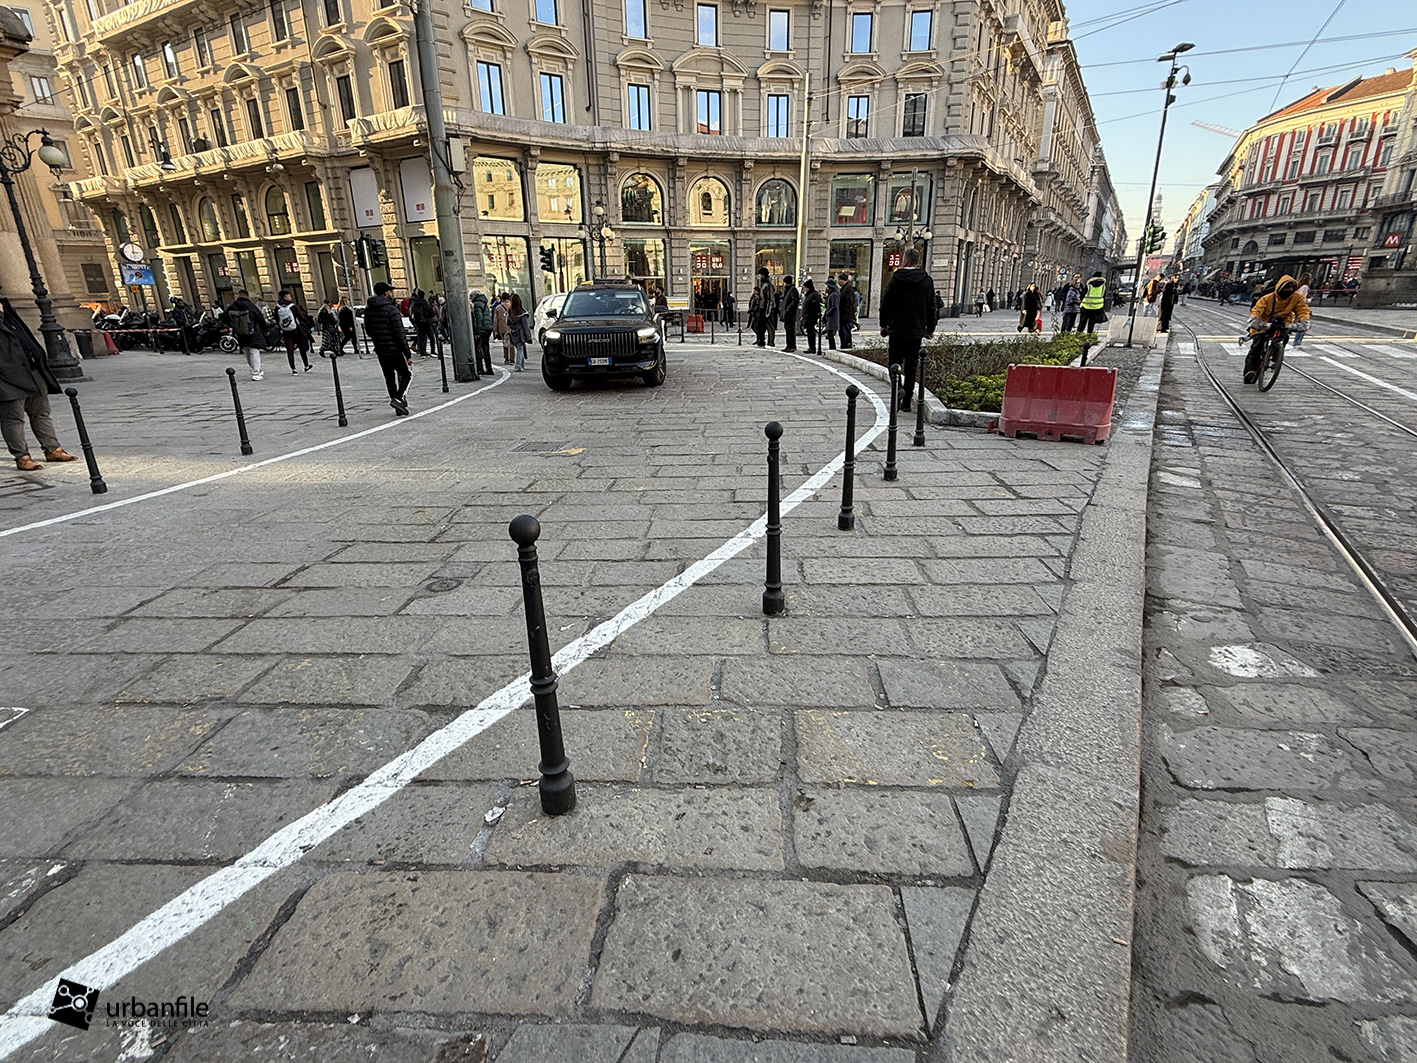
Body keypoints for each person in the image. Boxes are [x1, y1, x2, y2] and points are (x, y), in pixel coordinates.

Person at [1, 303, 74, 471]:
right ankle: (22, 456)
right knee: (13, 418)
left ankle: (52, 449)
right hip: (7, 376)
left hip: (31, 370)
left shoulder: (9, 313)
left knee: (41, 412)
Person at [878, 246, 938, 413]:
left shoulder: (896, 278)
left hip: (897, 329)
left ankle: (898, 389)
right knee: (912, 366)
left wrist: (884, 325)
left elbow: (886, 303)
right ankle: (906, 402)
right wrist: (930, 328)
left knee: (894, 363)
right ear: (917, 261)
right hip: (916, 330)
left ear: (905, 260)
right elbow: (931, 306)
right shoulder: (926, 280)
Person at [1242, 274, 1309, 384]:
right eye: (1286, 288)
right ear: (1280, 287)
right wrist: (1255, 321)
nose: (1289, 290)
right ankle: (1250, 371)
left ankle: (1275, 355)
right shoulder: (1267, 299)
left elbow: (1302, 310)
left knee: (1284, 337)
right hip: (1264, 323)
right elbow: (1257, 310)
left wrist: (1304, 322)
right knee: (1257, 346)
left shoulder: (1297, 298)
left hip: (1284, 323)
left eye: (1292, 288)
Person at [366, 281, 413, 415]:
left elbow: (369, 331)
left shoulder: (369, 310)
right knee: (406, 375)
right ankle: (397, 399)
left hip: (380, 350)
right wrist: (407, 353)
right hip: (394, 349)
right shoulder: (391, 310)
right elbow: (399, 333)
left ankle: (396, 404)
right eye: (389, 291)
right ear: (386, 293)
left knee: (389, 378)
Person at [223, 289, 266, 380]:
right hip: (253, 332)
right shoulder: (251, 306)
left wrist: (231, 325)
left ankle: (253, 369)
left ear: (239, 295)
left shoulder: (233, 306)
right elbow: (260, 318)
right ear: (247, 295)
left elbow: (223, 316)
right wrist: (265, 329)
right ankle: (256, 372)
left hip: (240, 332)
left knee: (247, 351)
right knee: (254, 351)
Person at [276, 290, 312, 374]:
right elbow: (301, 317)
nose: (290, 297)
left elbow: (277, 319)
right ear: (285, 296)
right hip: (296, 330)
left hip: (286, 331)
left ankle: (293, 369)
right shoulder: (292, 306)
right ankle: (306, 365)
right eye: (289, 296)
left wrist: (281, 328)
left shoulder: (277, 307)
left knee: (290, 350)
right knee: (302, 348)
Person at [470, 288, 494, 375]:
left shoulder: (477, 304)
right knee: (486, 349)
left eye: (471, 296)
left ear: (475, 295)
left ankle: (480, 368)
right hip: (488, 328)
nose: (470, 298)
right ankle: (489, 368)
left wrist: (477, 331)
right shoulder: (484, 303)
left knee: (478, 348)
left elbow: (478, 318)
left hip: (482, 329)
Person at [409, 289, 438, 358]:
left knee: (421, 337)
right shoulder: (425, 304)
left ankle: (422, 352)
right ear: (424, 296)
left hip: (419, 323)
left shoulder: (415, 304)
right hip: (427, 322)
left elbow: (413, 314)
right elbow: (432, 313)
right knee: (431, 337)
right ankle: (433, 351)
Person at [506, 293, 531, 371]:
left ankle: (522, 365)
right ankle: (517, 366)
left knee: (518, 348)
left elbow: (508, 323)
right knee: (520, 349)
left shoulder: (510, 312)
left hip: (513, 333)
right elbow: (525, 326)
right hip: (520, 334)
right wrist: (528, 337)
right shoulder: (522, 313)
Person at [752, 267, 774, 348]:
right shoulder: (763, 284)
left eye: (760, 274)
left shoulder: (768, 285)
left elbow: (770, 299)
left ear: (763, 275)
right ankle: (761, 342)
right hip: (761, 308)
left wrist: (768, 311)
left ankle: (771, 343)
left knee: (769, 327)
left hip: (766, 308)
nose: (759, 276)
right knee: (759, 326)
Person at [800, 279, 821, 355]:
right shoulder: (810, 295)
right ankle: (811, 347)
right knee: (809, 332)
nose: (804, 289)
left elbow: (814, 307)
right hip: (808, 316)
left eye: (804, 287)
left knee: (811, 332)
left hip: (811, 317)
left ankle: (812, 348)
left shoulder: (813, 295)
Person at [837, 273, 858, 349]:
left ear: (843, 280)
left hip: (846, 316)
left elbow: (850, 302)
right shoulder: (843, 288)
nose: (839, 281)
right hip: (843, 315)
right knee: (842, 332)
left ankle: (846, 346)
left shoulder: (848, 288)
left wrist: (844, 312)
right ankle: (844, 345)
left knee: (845, 332)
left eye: (839, 280)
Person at [780, 275, 800, 352]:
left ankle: (791, 346)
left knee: (790, 331)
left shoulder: (792, 290)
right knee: (788, 330)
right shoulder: (788, 290)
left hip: (790, 314)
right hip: (787, 314)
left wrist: (788, 309)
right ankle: (789, 345)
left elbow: (795, 301)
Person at [822, 276, 840, 351]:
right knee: (829, 334)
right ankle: (831, 348)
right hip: (831, 317)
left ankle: (832, 348)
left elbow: (834, 306)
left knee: (830, 334)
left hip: (832, 317)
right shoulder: (832, 294)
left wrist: (828, 313)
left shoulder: (834, 295)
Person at [494, 291, 512, 363]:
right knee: (511, 343)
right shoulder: (511, 306)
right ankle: (512, 358)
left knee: (504, 342)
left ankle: (506, 357)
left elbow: (496, 320)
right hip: (511, 327)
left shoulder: (498, 307)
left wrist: (495, 329)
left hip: (502, 327)